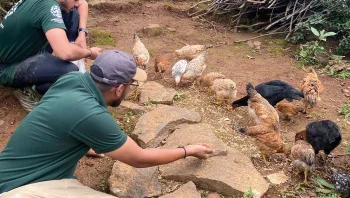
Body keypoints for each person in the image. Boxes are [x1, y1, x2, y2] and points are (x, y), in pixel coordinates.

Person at [0, 50, 214, 197]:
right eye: (132, 84)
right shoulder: (90, 114)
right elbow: (140, 158)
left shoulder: (71, 80)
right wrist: (188, 150)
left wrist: (83, 141)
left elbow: (55, 119)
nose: (131, 89)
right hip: (20, 190)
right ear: (119, 88)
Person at [0, 0, 101, 112]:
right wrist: (90, 53)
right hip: (9, 67)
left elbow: (83, 4)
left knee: (71, 12)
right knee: (68, 73)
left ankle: (65, 70)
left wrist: (81, 35)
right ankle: (26, 88)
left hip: (26, 52)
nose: (78, 2)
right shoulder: (47, 6)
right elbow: (65, 53)